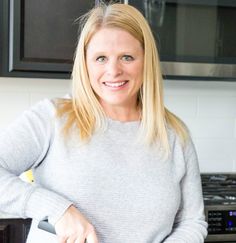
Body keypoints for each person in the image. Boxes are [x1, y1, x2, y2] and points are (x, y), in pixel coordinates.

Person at [0, 2, 208, 243]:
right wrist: (58, 210)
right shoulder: (52, 118)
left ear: (146, 61)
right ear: (85, 64)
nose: (113, 70)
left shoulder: (174, 134)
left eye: (127, 57)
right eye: (100, 58)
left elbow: (192, 222)